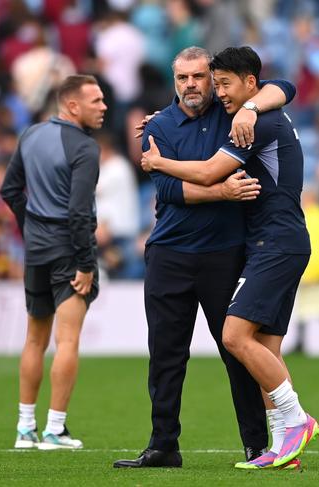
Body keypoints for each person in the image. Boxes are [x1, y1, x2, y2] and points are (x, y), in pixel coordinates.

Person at [113, 46, 297, 468]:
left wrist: (250, 108)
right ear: (173, 81)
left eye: (200, 77)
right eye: (183, 78)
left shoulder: (234, 112)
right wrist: (221, 192)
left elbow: (283, 87)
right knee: (165, 356)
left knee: (237, 353)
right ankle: (163, 446)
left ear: (213, 79)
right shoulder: (158, 124)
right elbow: (165, 190)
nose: (192, 85)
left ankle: (257, 445)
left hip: (226, 253)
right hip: (169, 253)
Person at [0, 74, 106, 450]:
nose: (104, 107)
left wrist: (30, 228)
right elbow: (79, 212)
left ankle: (24, 429)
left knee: (33, 339)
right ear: (72, 105)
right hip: (68, 252)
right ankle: (54, 430)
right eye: (96, 101)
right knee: (67, 341)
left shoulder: (30, 134)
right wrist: (86, 264)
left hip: (36, 252)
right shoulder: (85, 148)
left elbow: (9, 190)